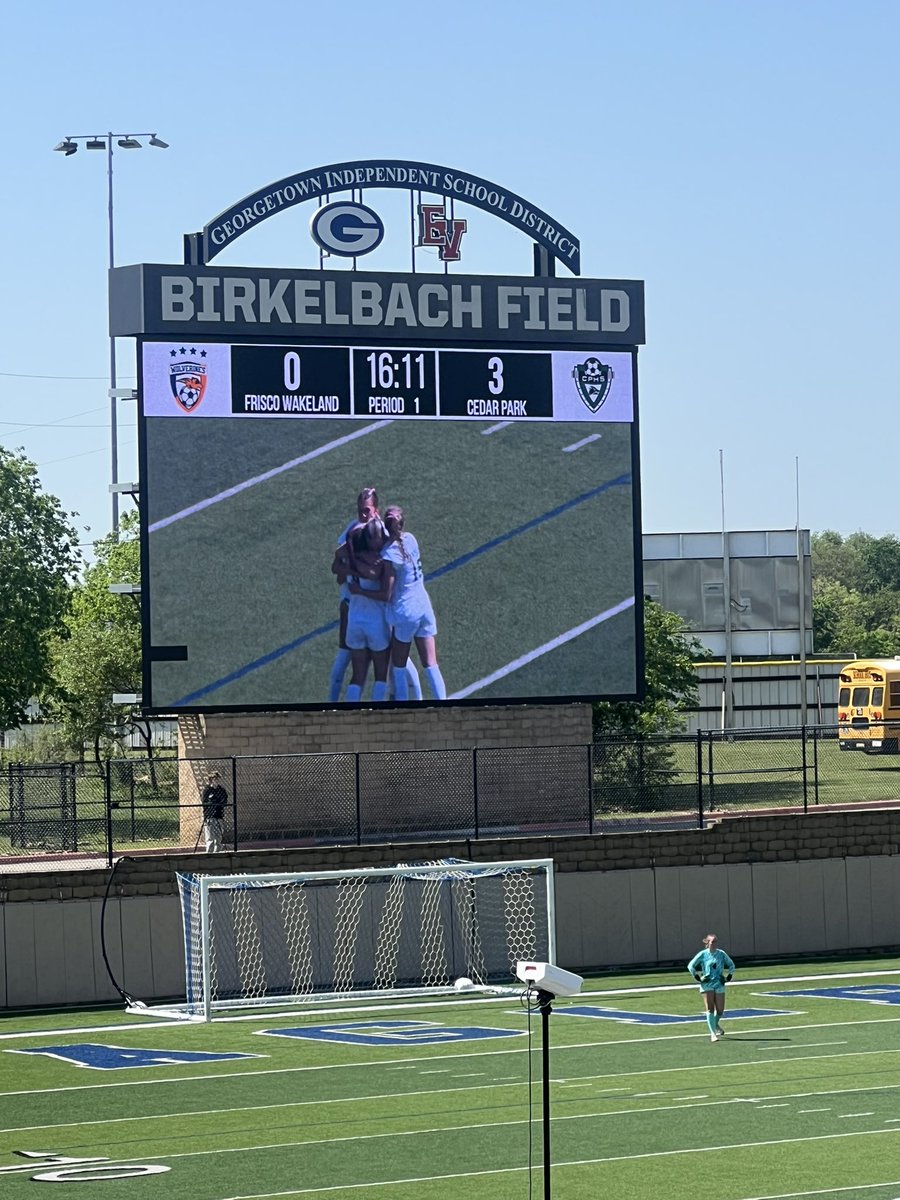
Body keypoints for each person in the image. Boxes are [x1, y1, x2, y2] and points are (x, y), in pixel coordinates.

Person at [329, 488, 422, 702]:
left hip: (365, 612)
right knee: (382, 667)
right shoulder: (355, 534)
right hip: (364, 611)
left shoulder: (374, 537)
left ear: (376, 511)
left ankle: (404, 700)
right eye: (360, 511)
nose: (363, 515)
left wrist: (351, 569)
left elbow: (341, 570)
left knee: (371, 670)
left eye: (367, 511)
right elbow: (339, 569)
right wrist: (353, 569)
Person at [352, 504, 446, 701]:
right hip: (424, 606)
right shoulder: (411, 539)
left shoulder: (389, 554)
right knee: (431, 663)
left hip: (406, 612)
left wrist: (360, 590)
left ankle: (403, 708)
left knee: (399, 666)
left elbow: (386, 594)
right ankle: (444, 705)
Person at [342, 519, 392, 702]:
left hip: (354, 621)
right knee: (381, 674)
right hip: (375, 623)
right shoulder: (377, 561)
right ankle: (378, 714)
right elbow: (379, 577)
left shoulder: (349, 561)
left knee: (358, 675)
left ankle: (349, 713)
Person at [687, 933, 735, 1042]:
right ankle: (713, 1033)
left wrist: (728, 977)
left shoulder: (721, 954)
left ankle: (715, 1024)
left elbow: (731, 965)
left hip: (719, 983)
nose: (714, 944)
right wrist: (698, 978)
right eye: (712, 942)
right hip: (707, 984)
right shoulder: (703, 954)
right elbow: (690, 966)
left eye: (715, 942)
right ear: (708, 943)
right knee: (710, 1008)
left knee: (720, 1010)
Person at [201, 772, 228, 853]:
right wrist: (213, 802)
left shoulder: (221, 790)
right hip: (210, 817)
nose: (216, 780)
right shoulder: (207, 790)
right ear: (211, 780)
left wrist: (218, 803)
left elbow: (224, 801)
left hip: (219, 816)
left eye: (217, 778)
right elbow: (205, 803)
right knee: (210, 838)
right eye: (214, 779)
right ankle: (209, 855)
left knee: (218, 838)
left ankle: (217, 854)